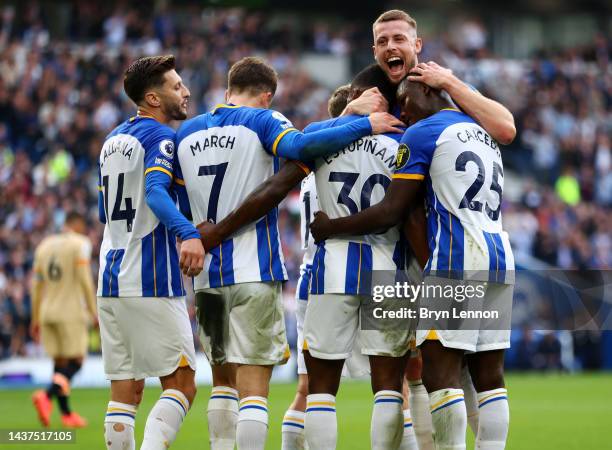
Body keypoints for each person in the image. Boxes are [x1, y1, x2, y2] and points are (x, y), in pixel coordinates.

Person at [174, 56, 401, 450]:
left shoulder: (187, 131)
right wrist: (363, 121)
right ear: (267, 96)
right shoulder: (264, 121)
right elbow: (300, 144)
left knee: (224, 385)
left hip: (208, 273)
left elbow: (175, 195)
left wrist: (190, 235)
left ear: (228, 92)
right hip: (255, 269)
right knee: (256, 392)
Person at [311, 74, 514, 450]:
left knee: (440, 375)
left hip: (454, 257)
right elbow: (507, 125)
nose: (403, 112)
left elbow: (392, 211)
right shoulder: (481, 131)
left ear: (428, 92)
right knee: (490, 375)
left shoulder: (420, 134)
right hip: (500, 256)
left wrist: (330, 226)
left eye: (405, 101)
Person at [294, 64, 419, 450]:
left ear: (359, 96)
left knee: (320, 391)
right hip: (388, 270)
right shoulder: (401, 145)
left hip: (331, 269)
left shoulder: (323, 142)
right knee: (388, 388)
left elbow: (301, 140)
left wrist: (350, 117)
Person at [97, 55, 204, 450]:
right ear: (153, 99)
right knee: (182, 384)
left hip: (110, 278)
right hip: (150, 278)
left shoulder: (111, 141)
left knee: (126, 390)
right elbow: (156, 193)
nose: (186, 91)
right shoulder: (160, 138)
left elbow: (102, 212)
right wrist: (188, 232)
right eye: (177, 86)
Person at [344, 9, 516, 146]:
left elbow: (506, 131)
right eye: (382, 42)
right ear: (375, 52)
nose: (390, 47)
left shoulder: (441, 87)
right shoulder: (367, 92)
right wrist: (349, 111)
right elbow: (325, 157)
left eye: (399, 39)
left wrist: (449, 82)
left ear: (417, 45)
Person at [30, 211, 97, 428]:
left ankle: (67, 415)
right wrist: (93, 310)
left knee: (59, 365)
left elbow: (36, 286)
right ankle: (46, 396)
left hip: (47, 312)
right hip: (70, 312)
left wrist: (35, 318)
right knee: (76, 362)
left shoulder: (44, 246)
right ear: (76, 224)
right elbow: (85, 280)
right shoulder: (80, 243)